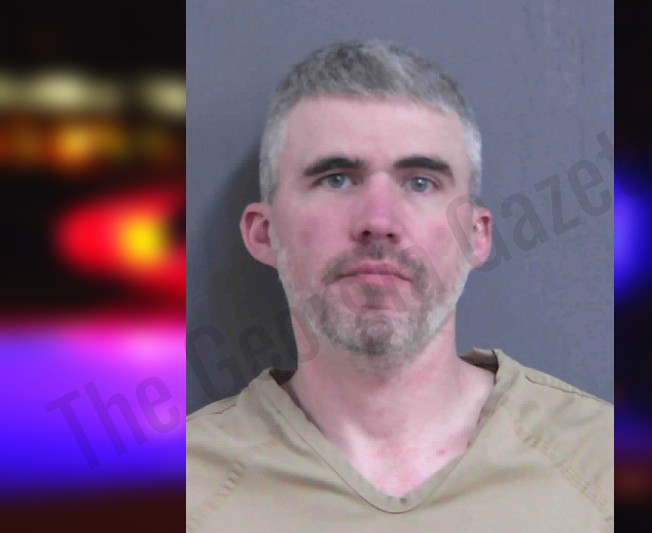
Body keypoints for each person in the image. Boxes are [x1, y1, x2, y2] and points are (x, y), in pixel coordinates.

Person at [186, 40, 613, 532]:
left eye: (420, 182)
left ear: (476, 236)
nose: (379, 221)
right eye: (337, 179)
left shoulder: (603, 465)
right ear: (265, 233)